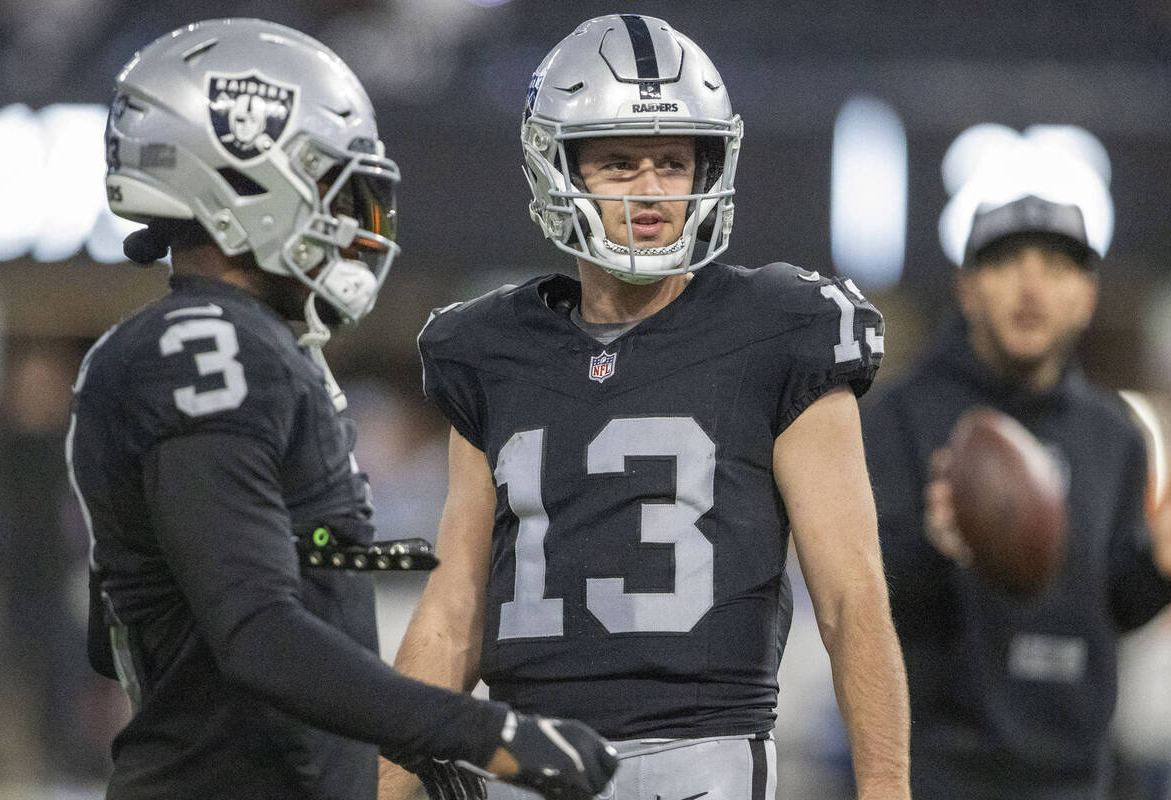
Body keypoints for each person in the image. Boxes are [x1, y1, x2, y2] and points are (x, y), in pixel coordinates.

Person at [66, 18, 617, 800]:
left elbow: (127, 627)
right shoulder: (207, 347)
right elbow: (257, 634)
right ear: (245, 179)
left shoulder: (226, 347)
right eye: (332, 183)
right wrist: (484, 733)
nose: (357, 221)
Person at [380, 14, 910, 800]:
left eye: (673, 160)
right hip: (525, 754)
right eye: (620, 163)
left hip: (703, 752)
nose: (654, 191)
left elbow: (851, 595)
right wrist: (390, 788)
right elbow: (455, 609)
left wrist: (887, 788)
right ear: (556, 168)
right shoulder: (487, 348)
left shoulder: (781, 328)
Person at [862, 192, 1171, 799]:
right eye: (1006, 265)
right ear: (967, 288)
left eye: (1056, 269)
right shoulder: (902, 417)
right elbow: (863, 600)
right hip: (938, 772)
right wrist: (937, 548)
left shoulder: (1114, 435)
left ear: (1087, 298)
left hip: (1075, 775)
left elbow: (1109, 605)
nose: (1031, 289)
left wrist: (1159, 569)